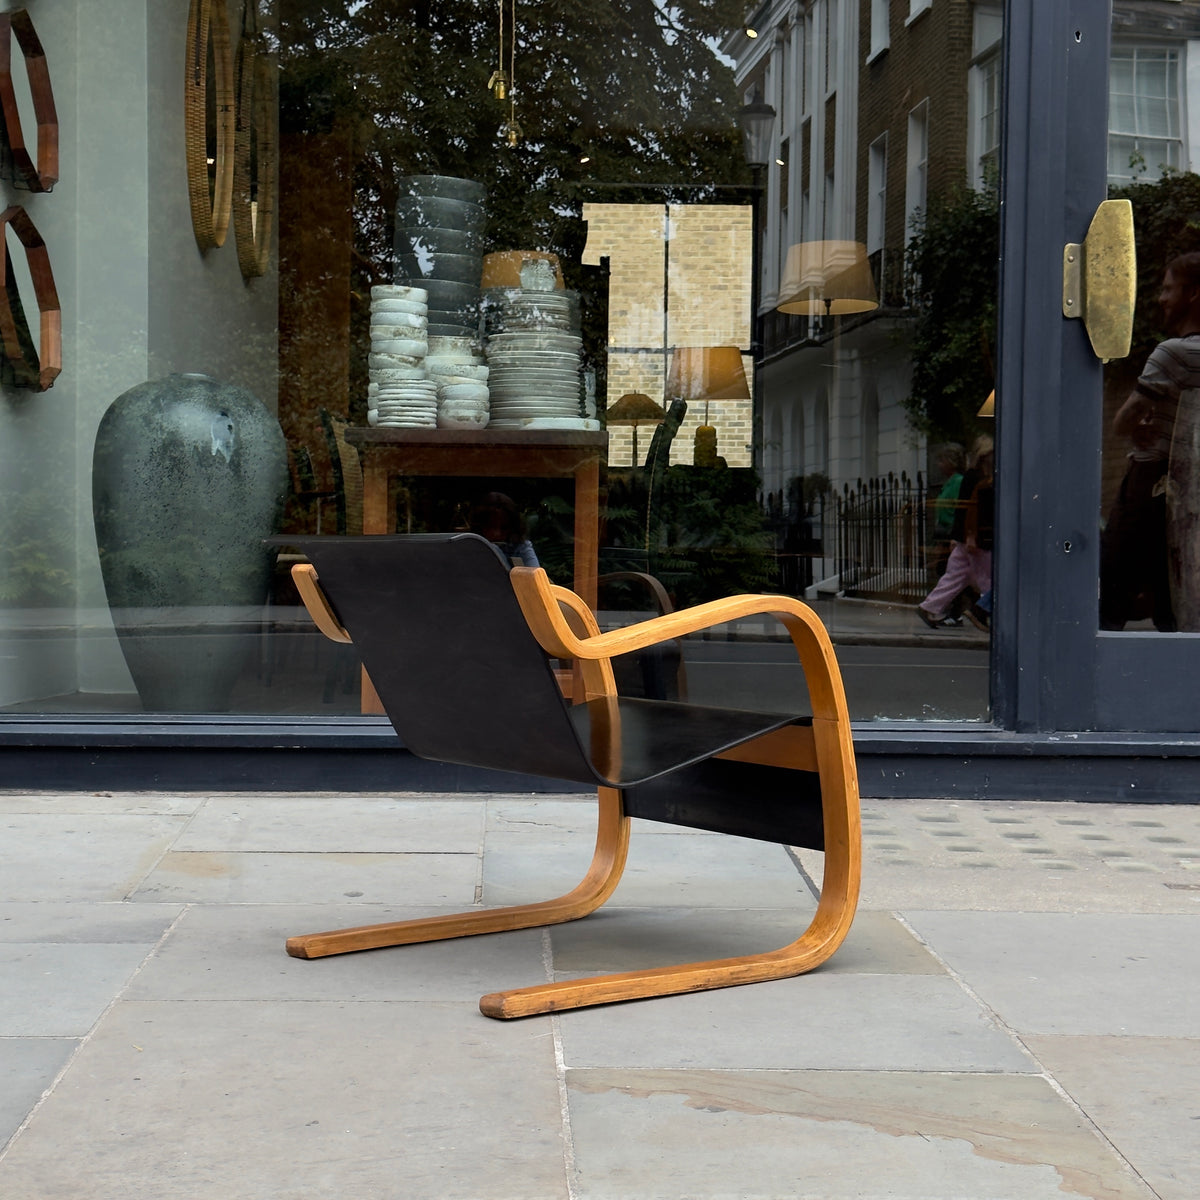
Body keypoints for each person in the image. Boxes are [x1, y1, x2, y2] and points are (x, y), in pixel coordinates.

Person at [1100, 252, 1200, 631]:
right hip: (1190, 486)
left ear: (1193, 293)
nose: (1161, 298)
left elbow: (1122, 422)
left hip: (1148, 481)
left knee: (1112, 584)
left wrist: (1137, 420)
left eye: (1169, 288)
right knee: (1174, 594)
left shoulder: (1173, 353)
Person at [918, 435, 994, 629]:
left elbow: (962, 510)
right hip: (975, 538)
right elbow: (969, 510)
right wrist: (967, 535)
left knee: (955, 576)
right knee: (989, 579)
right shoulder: (980, 479)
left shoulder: (970, 477)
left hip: (966, 537)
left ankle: (929, 606)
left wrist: (957, 536)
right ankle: (983, 612)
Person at [468, 491, 539, 567]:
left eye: (504, 528)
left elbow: (534, 574)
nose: (497, 534)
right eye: (491, 527)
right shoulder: (468, 548)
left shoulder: (520, 548)